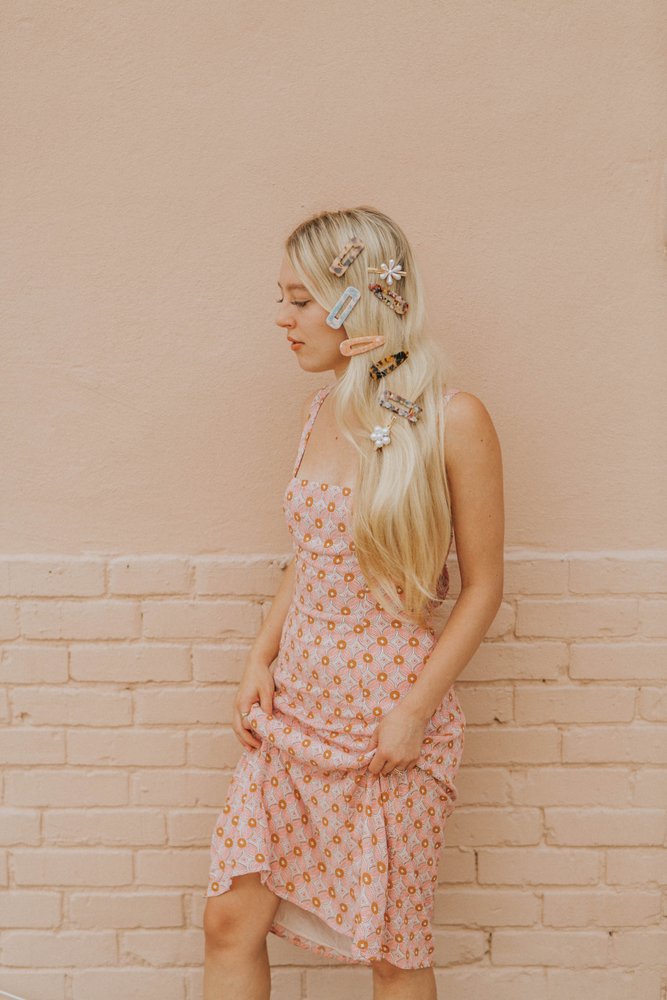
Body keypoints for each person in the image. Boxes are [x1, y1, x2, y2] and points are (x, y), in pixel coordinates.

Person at [203, 207, 504, 1000]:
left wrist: (414, 713)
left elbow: (482, 587)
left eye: (301, 300)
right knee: (229, 920)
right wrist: (258, 658)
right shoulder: (320, 411)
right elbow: (314, 556)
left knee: (391, 949)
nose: (284, 317)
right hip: (294, 710)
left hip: (385, 727)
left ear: (354, 302)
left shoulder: (452, 419)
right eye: (283, 297)